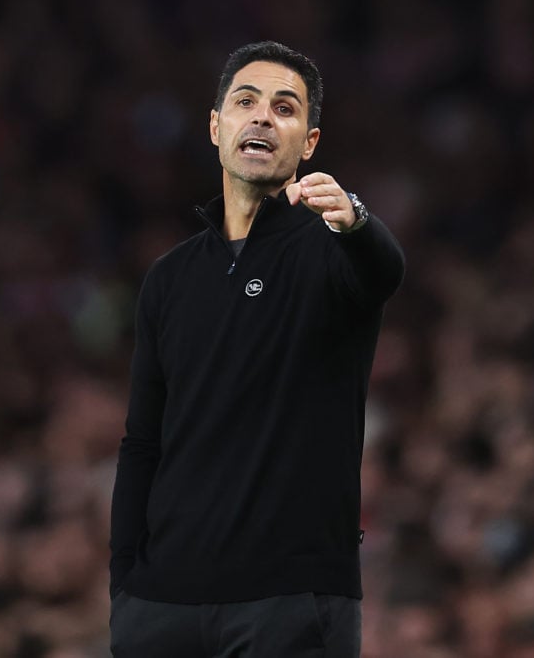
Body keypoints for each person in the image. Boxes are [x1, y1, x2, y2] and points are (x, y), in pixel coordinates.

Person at [108, 40, 405, 657]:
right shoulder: (169, 277)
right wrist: (125, 586)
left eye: (285, 107)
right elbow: (143, 441)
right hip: (162, 608)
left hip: (289, 604)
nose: (264, 117)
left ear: (309, 143)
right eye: (246, 102)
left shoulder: (334, 249)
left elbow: (384, 272)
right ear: (217, 127)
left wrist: (354, 219)